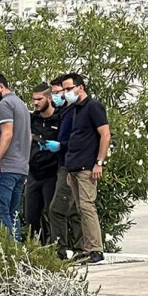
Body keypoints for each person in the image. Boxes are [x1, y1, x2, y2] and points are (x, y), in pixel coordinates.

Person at [62, 73, 111, 264]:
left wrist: (99, 162)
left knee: (87, 207)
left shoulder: (93, 107)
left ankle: (96, 249)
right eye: (64, 90)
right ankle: (85, 247)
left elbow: (105, 135)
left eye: (68, 89)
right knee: (79, 209)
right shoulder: (75, 110)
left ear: (80, 87)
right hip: (74, 166)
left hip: (87, 166)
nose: (66, 93)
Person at [0, 72, 31, 242]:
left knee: (0, 212)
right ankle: (17, 250)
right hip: (21, 167)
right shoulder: (21, 104)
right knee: (13, 213)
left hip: (7, 167)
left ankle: (9, 251)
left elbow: (7, 133)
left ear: (1, 86)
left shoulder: (5, 104)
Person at [48, 76, 84, 260]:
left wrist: (61, 146)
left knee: (57, 209)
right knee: (73, 210)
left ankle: (60, 251)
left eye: (60, 91)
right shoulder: (64, 111)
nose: (58, 95)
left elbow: (80, 139)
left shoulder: (77, 111)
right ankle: (80, 248)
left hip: (70, 165)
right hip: (63, 163)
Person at [24, 82, 60, 243]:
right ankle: (37, 248)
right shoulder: (32, 119)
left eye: (39, 99)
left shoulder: (59, 118)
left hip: (52, 173)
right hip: (33, 173)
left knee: (53, 213)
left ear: (49, 98)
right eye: (34, 99)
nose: (36, 103)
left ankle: (57, 247)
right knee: (30, 215)